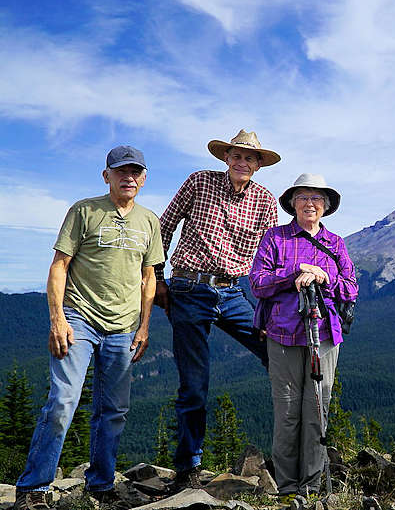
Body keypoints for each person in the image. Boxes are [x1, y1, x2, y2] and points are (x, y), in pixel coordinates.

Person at [15, 146, 163, 510]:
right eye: (120, 171)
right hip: (78, 318)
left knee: (113, 410)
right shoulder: (84, 210)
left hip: (125, 325)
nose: (128, 177)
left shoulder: (149, 221)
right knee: (64, 401)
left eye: (135, 172)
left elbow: (149, 277)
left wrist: (144, 326)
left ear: (143, 179)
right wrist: (57, 318)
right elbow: (59, 265)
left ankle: (100, 483)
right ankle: (33, 487)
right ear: (106, 175)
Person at [154, 129, 280, 490]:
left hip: (233, 291)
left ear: (258, 165)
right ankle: (188, 466)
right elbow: (164, 227)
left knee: (278, 351)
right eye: (237, 155)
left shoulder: (265, 201)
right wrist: (159, 278)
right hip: (189, 287)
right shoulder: (199, 181)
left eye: (250, 158)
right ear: (226, 158)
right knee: (194, 384)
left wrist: (270, 309)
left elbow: (268, 258)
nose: (243, 162)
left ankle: (289, 449)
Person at [249, 173, 358, 496]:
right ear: (292, 204)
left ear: (325, 206)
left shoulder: (335, 243)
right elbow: (258, 282)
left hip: (324, 334)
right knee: (287, 411)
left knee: (316, 410)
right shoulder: (275, 238)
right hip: (282, 333)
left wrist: (324, 277)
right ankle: (287, 485)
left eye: (316, 198)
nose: (310, 203)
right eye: (303, 197)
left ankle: (310, 485)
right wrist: (294, 273)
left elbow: (350, 289)